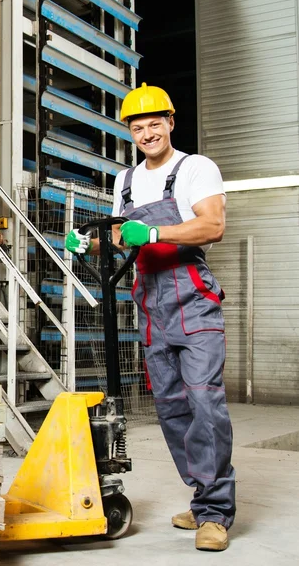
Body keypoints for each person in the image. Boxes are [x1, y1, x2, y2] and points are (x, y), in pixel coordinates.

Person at [65, 83, 235, 552]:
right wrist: (92, 243)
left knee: (204, 403)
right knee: (172, 408)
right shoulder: (126, 181)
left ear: (170, 122)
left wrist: (155, 229)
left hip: (193, 300)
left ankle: (217, 513)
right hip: (151, 304)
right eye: (138, 127)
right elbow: (125, 237)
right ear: (131, 132)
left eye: (154, 123)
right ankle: (203, 498)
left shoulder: (195, 168)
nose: (146, 132)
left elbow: (213, 225)